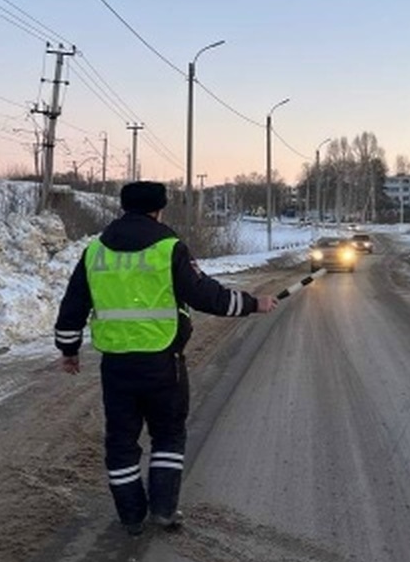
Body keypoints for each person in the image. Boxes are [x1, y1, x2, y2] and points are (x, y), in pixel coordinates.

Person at [54, 181, 277, 536]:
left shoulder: (95, 250)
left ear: (123, 207)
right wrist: (253, 304)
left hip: (116, 366)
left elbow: (73, 304)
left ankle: (130, 516)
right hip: (162, 362)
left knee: (121, 440)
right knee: (168, 435)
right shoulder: (168, 248)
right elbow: (205, 295)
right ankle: (163, 509)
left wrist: (68, 350)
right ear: (159, 209)